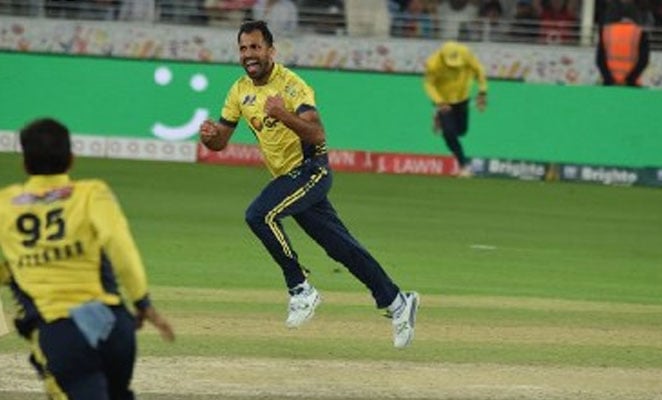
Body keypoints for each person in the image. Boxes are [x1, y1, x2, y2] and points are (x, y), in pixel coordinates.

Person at [198, 20, 419, 349]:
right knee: (341, 247)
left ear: (271, 51)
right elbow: (221, 142)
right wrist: (211, 138)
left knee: (259, 215)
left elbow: (317, 134)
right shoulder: (239, 91)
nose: (249, 54)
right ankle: (398, 302)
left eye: (256, 47)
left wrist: (284, 114)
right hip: (287, 179)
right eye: (243, 48)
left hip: (311, 169)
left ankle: (300, 288)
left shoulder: (292, 86)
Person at [0, 118, 175, 399]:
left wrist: (16, 269)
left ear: (24, 164)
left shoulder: (5, 204)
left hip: (62, 330)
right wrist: (142, 302)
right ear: (71, 159)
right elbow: (121, 247)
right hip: (111, 324)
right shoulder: (92, 192)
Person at [423, 40, 488, 178]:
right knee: (449, 133)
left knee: (461, 131)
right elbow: (429, 85)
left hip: (462, 97)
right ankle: (463, 165)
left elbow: (479, 70)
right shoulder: (433, 64)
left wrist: (482, 92)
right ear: (442, 56)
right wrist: (439, 102)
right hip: (444, 101)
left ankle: (439, 118)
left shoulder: (466, 53)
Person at [596, 3, 650, 87]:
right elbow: (643, 61)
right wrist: (630, 80)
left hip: (609, 84)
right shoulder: (640, 33)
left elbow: (600, 60)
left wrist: (609, 80)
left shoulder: (606, 32)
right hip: (631, 85)